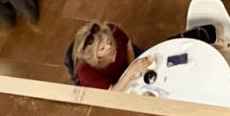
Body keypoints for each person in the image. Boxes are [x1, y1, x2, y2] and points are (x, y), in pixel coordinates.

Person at [64, 19, 221, 90]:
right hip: (115, 85)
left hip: (130, 63)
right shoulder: (85, 72)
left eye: (108, 41)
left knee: (164, 57)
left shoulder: (112, 30)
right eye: (102, 48)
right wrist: (131, 72)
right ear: (93, 56)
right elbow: (112, 94)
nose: (110, 47)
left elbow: (127, 45)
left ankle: (199, 37)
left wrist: (134, 62)